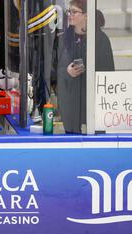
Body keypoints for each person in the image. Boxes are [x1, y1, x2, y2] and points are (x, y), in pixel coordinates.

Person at [56, 0, 114, 134]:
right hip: (70, 104)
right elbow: (55, 70)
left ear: (86, 15)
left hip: (92, 105)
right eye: (69, 11)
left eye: (74, 12)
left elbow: (107, 73)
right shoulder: (64, 38)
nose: (70, 14)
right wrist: (67, 72)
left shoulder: (101, 39)